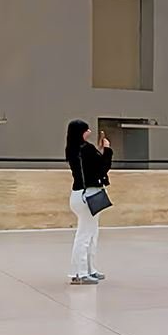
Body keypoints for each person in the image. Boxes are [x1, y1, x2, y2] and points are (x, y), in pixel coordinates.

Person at [65, 119, 111, 285]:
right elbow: (102, 167)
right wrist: (107, 150)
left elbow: (90, 166)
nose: (89, 132)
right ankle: (80, 272)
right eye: (86, 129)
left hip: (79, 195)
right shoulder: (86, 149)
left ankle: (90, 269)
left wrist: (99, 152)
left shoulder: (73, 149)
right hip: (88, 195)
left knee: (91, 233)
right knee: (86, 235)